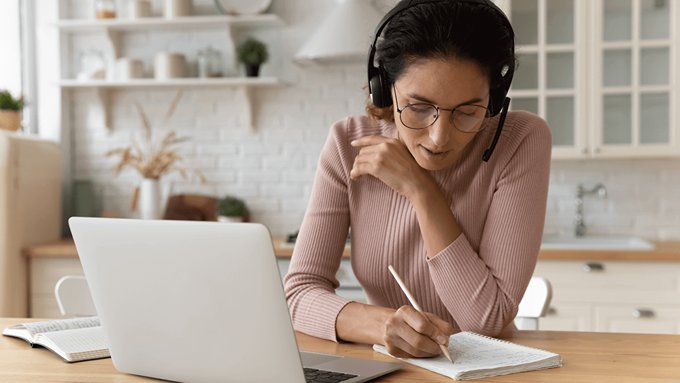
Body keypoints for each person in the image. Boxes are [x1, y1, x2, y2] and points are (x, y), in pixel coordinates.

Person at [284, 0, 551, 359]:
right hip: (387, 366)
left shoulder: (519, 139)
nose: (440, 137)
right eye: (419, 107)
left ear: (494, 100)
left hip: (484, 371)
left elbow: (485, 319)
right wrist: (384, 326)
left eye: (468, 112)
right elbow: (298, 294)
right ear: (385, 89)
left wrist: (420, 189)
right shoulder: (347, 144)